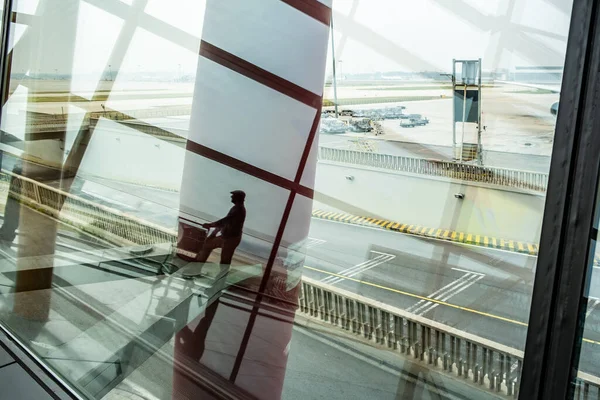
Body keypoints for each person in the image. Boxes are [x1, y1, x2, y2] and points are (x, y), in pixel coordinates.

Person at [195, 190, 246, 266]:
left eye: (233, 195)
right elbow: (225, 222)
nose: (231, 196)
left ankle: (221, 277)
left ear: (239, 197)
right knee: (207, 244)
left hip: (231, 239)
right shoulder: (236, 208)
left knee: (225, 262)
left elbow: (225, 221)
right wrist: (214, 232)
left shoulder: (239, 209)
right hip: (226, 237)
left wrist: (210, 225)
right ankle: (197, 266)